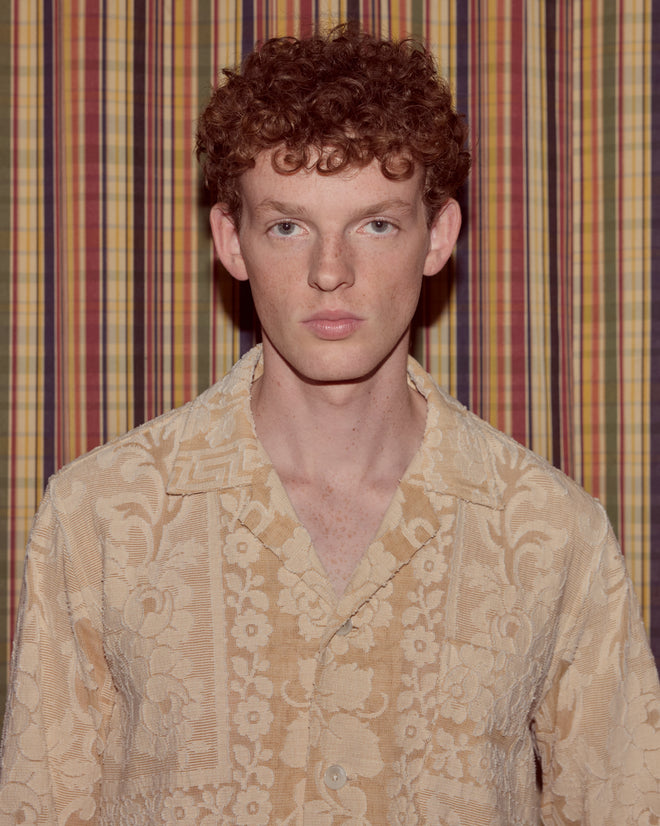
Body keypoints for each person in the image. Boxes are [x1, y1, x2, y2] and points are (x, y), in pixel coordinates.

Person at [0, 23, 658, 825]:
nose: (329, 272)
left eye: (376, 224)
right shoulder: (98, 516)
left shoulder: (554, 533)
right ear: (231, 240)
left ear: (438, 236)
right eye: (289, 226)